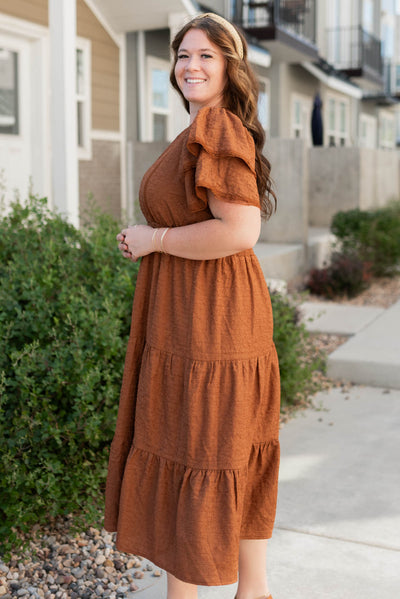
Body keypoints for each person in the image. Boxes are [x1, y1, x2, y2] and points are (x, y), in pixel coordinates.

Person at [104, 12, 280, 599]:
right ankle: (252, 592)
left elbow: (240, 230)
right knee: (225, 448)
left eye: (206, 55)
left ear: (230, 66)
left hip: (211, 320)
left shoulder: (218, 128)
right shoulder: (203, 127)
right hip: (201, 311)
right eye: (183, 55)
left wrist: (155, 239)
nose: (191, 66)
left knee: (198, 447)